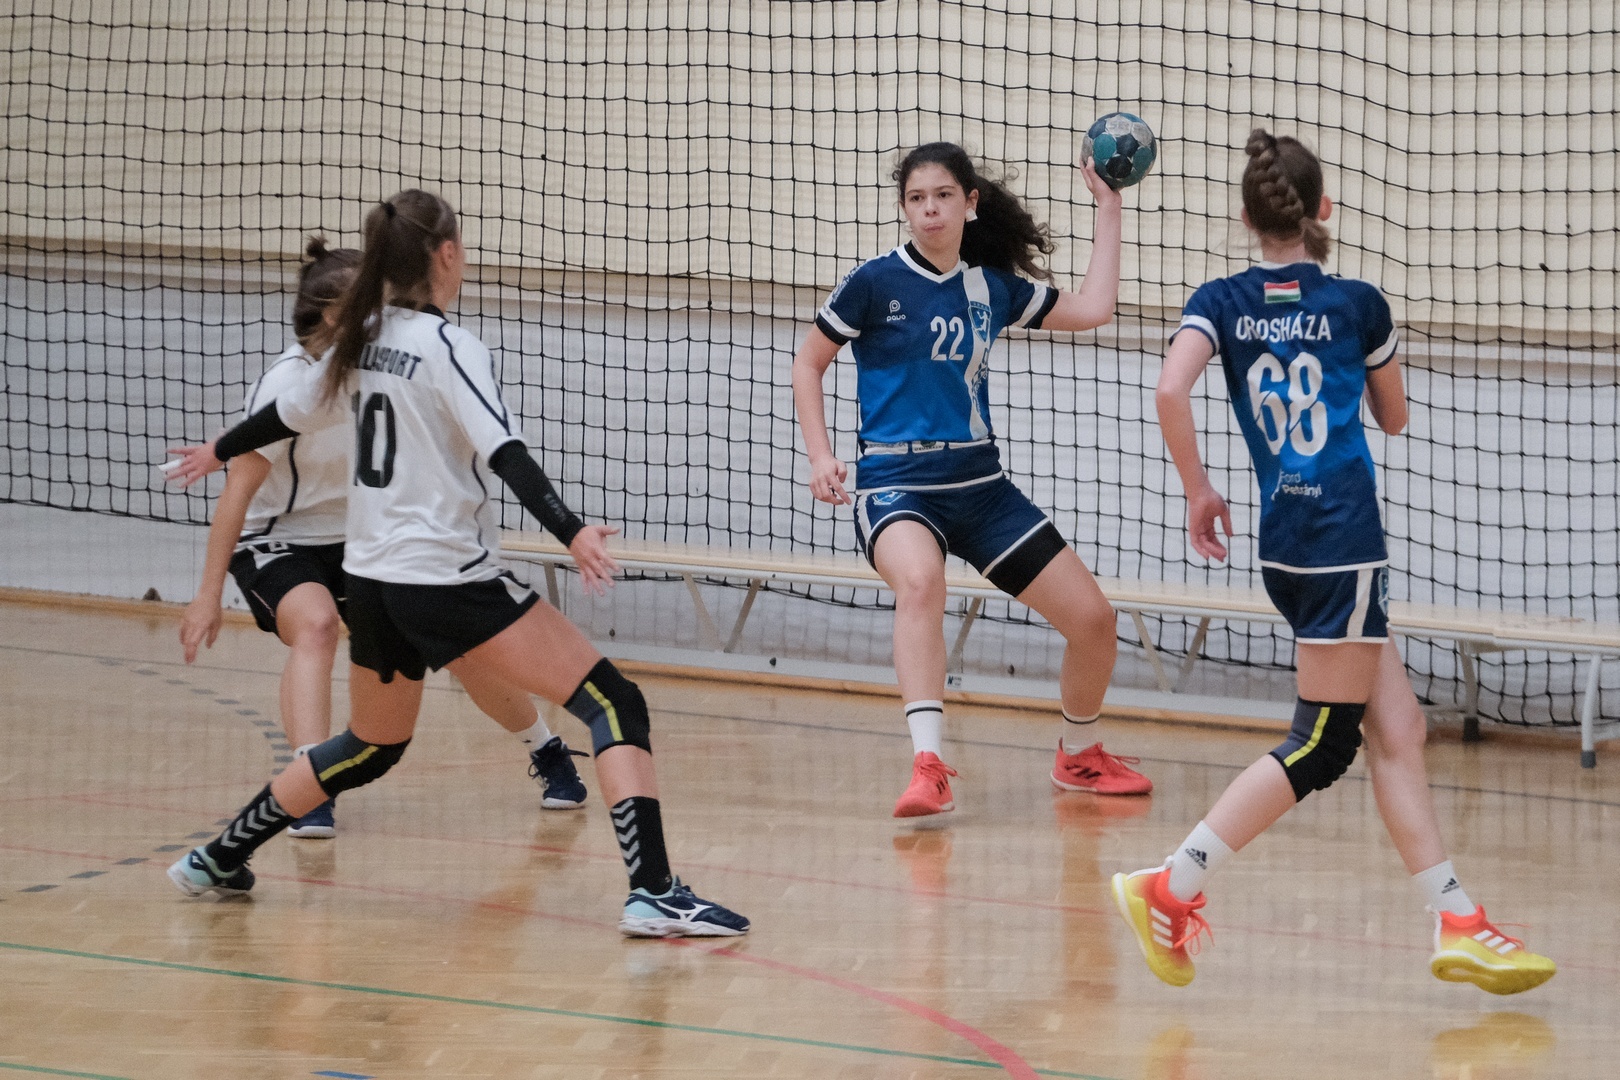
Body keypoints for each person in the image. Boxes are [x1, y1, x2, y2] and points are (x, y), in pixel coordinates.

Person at [163, 190, 748, 937]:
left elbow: (284, 414)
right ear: (446, 254)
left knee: (372, 744)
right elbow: (505, 452)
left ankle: (217, 857)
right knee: (612, 703)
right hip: (445, 576)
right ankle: (655, 891)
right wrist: (571, 531)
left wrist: (219, 448)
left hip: (371, 581)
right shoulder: (448, 346)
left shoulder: (358, 342)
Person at [1113, 129, 1554, 993]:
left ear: (1247, 218)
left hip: (1286, 542)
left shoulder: (1220, 299)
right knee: (1319, 747)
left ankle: (1458, 919)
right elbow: (1394, 417)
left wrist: (1200, 490)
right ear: (1323, 210)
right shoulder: (1357, 304)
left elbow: (1170, 388)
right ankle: (1172, 882)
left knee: (1400, 729)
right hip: (1345, 540)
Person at [179, 239, 592, 839]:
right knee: (317, 625)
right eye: (372, 303)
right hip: (278, 543)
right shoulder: (288, 383)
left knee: (462, 644)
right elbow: (236, 493)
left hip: (368, 543)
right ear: (333, 315)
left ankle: (545, 748)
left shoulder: (395, 364)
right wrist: (206, 595)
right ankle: (310, 787)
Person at [792, 142, 1152, 818]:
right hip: (896, 482)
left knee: (1095, 621)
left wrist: (1110, 208)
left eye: (943, 196)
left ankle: (1078, 756)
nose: (929, 210)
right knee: (921, 582)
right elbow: (808, 363)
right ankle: (928, 766)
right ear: (905, 209)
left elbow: (1095, 307)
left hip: (981, 487)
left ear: (970, 203)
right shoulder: (873, 282)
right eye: (916, 199)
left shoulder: (991, 287)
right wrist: (820, 455)